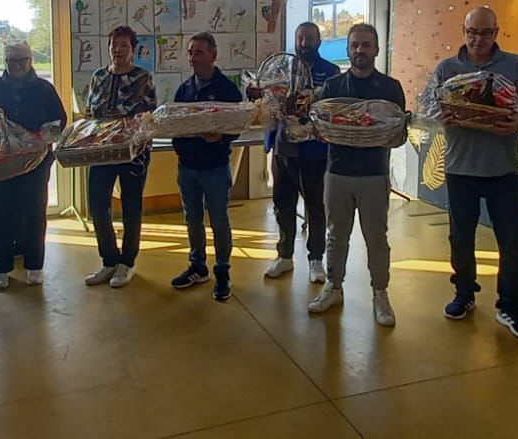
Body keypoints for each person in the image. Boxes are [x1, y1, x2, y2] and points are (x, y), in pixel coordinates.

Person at [432, 7, 518, 339]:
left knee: (512, 243)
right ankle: (464, 293)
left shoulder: (515, 66)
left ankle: (510, 306)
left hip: (503, 170)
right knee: (460, 239)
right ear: (463, 31)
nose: (477, 39)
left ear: (496, 32)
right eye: (472, 32)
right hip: (460, 168)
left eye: (484, 32)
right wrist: (441, 116)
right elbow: (430, 108)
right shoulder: (447, 68)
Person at [307, 23, 406, 327]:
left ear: (376, 49)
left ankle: (380, 293)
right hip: (337, 172)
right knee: (336, 235)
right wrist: (320, 131)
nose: (360, 50)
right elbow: (320, 127)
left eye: (366, 45)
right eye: (354, 45)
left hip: (374, 174)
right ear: (348, 49)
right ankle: (333, 287)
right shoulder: (333, 87)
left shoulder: (391, 88)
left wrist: (391, 136)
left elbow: (399, 134)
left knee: (376, 238)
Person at [249, 22, 340, 284]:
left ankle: (315, 260)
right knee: (282, 204)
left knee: (315, 206)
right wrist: (256, 94)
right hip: (283, 149)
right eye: (300, 38)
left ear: (319, 41)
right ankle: (284, 255)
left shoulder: (331, 72)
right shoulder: (282, 69)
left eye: (309, 38)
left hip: (314, 152)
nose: (304, 43)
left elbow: (332, 110)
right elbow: (265, 101)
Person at [0, 41, 66, 291]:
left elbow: (60, 120)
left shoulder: (44, 88)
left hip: (35, 160)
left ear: (30, 60)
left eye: (22, 60)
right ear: (5, 62)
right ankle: (1, 268)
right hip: (0, 161)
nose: (17, 66)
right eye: (12, 61)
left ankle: (35, 265)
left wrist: (43, 135)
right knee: (0, 213)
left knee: (34, 212)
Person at [169, 32, 243, 301]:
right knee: (192, 219)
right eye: (190, 53)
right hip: (187, 167)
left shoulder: (227, 89)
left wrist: (221, 137)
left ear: (213, 55)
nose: (192, 58)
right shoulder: (184, 89)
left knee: (219, 220)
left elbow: (237, 124)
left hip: (215, 168)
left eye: (198, 53)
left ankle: (222, 271)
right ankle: (197, 266)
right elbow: (176, 122)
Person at [84, 25, 157, 289]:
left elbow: (150, 117)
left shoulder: (143, 77)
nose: (118, 50)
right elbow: (89, 113)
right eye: (114, 45)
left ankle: (128, 262)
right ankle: (109, 260)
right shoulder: (98, 76)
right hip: (101, 152)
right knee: (97, 205)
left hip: (133, 154)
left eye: (124, 45)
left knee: (131, 206)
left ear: (133, 50)